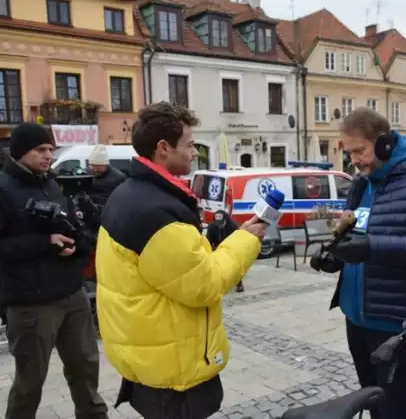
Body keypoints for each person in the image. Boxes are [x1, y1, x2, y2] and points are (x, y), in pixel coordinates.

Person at [95, 102, 268, 418]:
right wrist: (247, 239)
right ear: (163, 148)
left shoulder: (131, 192)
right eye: (189, 145)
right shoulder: (157, 213)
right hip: (172, 371)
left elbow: (182, 268)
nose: (194, 153)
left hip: (152, 354)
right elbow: (204, 284)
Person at [311, 107, 406, 419]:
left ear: (384, 143)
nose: (355, 161)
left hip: (395, 324)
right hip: (356, 319)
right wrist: (333, 256)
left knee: (396, 411)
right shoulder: (361, 184)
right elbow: (352, 238)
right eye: (348, 153)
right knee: (374, 404)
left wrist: (372, 247)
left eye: (359, 150)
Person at [0, 123, 107, 418]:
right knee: (29, 383)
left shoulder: (52, 183)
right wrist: (44, 242)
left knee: (86, 368)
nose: (48, 155)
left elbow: (72, 224)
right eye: (41, 150)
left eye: (50, 149)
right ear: (21, 152)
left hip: (72, 294)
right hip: (30, 304)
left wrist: (78, 244)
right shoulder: (4, 189)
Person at [206, 210, 245, 293]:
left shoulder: (233, 226)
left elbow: (238, 240)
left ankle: (239, 283)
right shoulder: (212, 227)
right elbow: (208, 241)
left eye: (221, 223)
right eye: (217, 223)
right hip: (217, 247)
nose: (219, 226)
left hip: (231, 247)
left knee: (236, 265)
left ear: (226, 221)